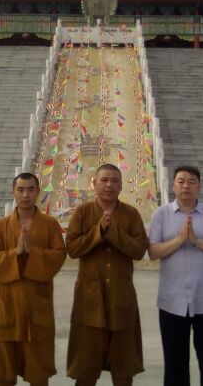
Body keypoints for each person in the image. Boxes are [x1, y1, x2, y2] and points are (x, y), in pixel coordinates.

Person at [148, 166, 203, 386]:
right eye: (181, 181)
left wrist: (196, 241)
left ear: (199, 186)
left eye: (191, 181)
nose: (186, 186)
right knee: (175, 365)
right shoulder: (161, 214)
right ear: (173, 185)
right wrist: (179, 240)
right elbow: (153, 252)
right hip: (172, 301)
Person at [65, 163, 148, 386]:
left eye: (114, 181)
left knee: (123, 369)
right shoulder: (82, 213)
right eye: (104, 180)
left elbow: (139, 250)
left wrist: (113, 233)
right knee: (85, 369)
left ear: (121, 186)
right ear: (94, 183)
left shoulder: (130, 214)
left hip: (121, 299)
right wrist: (98, 233)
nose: (109, 185)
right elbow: (72, 249)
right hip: (89, 299)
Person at [0, 172, 67, 386]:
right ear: (13, 192)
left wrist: (32, 252)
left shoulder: (50, 225)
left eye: (30, 189)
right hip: (6, 306)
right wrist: (16, 253)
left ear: (38, 192)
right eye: (20, 189)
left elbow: (59, 256)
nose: (25, 195)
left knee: (39, 373)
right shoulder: (0, 227)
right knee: (4, 373)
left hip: (36, 306)